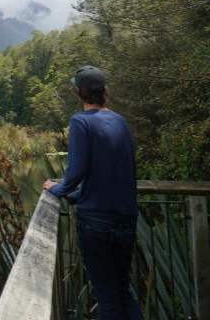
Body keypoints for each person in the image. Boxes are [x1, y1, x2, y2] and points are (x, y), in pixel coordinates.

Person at [43, 65, 143, 320]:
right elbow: (118, 172)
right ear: (104, 90)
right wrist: (77, 196)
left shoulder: (80, 121)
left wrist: (59, 189)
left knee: (108, 298)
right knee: (124, 292)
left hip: (96, 222)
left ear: (77, 91)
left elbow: (75, 170)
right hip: (126, 219)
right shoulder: (120, 121)